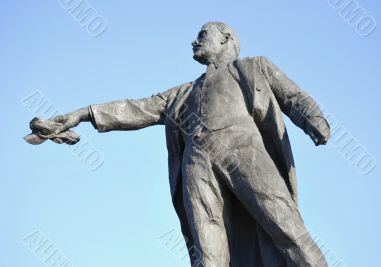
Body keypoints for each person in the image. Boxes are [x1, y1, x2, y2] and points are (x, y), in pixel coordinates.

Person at [50, 22, 331, 267]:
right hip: (197, 164)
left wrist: (314, 121)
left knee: (287, 227)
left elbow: (294, 97)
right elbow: (136, 108)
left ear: (226, 38)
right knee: (208, 255)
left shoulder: (254, 67)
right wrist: (81, 114)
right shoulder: (182, 94)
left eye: (203, 34)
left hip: (246, 152)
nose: (195, 41)